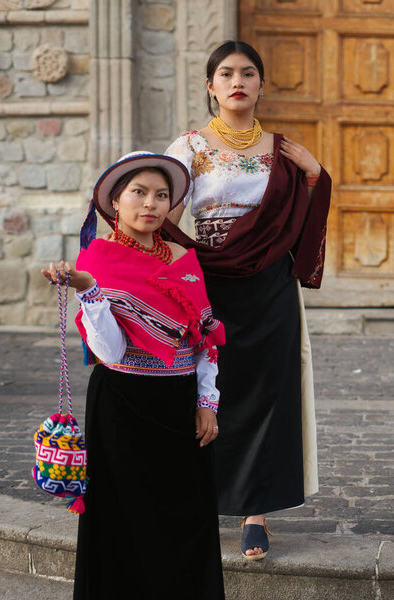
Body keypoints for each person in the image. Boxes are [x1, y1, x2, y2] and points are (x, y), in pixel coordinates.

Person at [163, 40, 332, 560]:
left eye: (249, 73)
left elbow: (300, 218)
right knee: (204, 392)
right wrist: (176, 273)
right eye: (227, 73)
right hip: (207, 282)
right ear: (211, 85)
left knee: (267, 392)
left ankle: (254, 512)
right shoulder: (187, 147)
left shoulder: (282, 150)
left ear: (261, 85)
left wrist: (314, 175)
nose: (238, 81)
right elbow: (156, 212)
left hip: (269, 286)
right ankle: (195, 498)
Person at [41, 152, 226, 599]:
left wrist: (206, 404)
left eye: (161, 195)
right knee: (123, 522)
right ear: (115, 203)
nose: (151, 204)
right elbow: (110, 351)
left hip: (180, 406)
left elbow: (204, 340)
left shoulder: (184, 258)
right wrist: (89, 290)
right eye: (138, 193)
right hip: (123, 406)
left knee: (187, 519)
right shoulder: (98, 260)